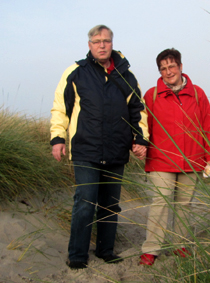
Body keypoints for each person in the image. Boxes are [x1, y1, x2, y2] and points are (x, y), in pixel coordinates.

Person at [50, 25, 149, 269]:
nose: (102, 45)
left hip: (116, 149)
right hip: (86, 148)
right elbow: (61, 108)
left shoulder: (127, 74)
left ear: (112, 43)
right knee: (85, 202)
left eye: (106, 40)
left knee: (110, 204)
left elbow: (138, 109)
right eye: (97, 41)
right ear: (89, 45)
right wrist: (57, 139)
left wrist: (140, 139)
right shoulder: (75, 72)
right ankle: (77, 255)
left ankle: (105, 250)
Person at [139, 48, 210, 266]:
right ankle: (151, 250)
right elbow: (143, 127)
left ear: (181, 67)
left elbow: (208, 126)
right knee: (160, 203)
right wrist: (139, 144)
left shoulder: (198, 93)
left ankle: (180, 245)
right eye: (163, 68)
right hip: (160, 160)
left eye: (171, 66)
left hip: (192, 160)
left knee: (184, 205)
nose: (168, 72)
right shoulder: (151, 94)